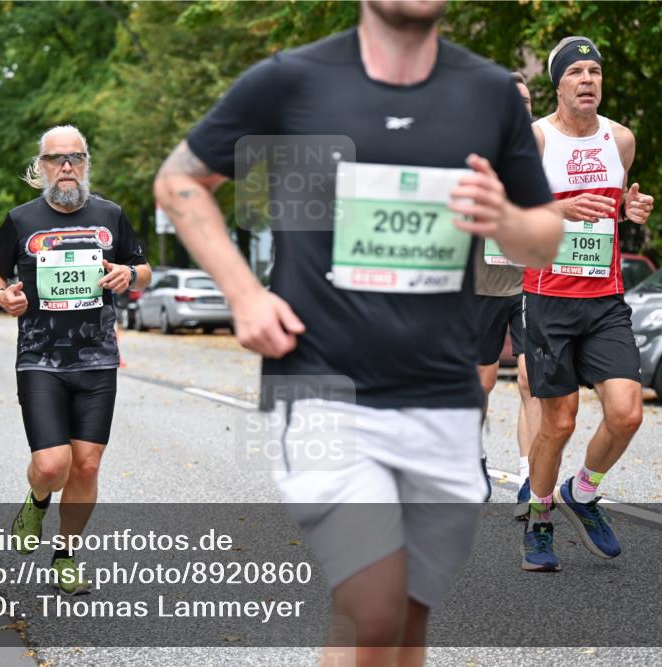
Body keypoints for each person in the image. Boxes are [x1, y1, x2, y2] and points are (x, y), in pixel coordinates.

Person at [154, 2, 562, 664]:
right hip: (324, 391)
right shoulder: (293, 80)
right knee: (375, 607)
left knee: (403, 623)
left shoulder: (488, 92)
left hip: (443, 397)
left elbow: (545, 238)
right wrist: (244, 293)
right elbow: (179, 181)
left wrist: (505, 220)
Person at [0, 125, 151, 595]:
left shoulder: (111, 215)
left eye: (75, 157)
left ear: (86, 162)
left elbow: (144, 268)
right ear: (40, 167)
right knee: (54, 465)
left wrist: (128, 273)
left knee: (88, 466)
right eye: (56, 159)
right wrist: (2, 297)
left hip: (97, 358)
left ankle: (66, 554)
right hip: (39, 357)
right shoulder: (20, 220)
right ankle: (37, 501)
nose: (66, 167)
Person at [520, 36, 655, 572]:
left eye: (594, 71)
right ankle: (538, 520)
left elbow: (618, 206)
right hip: (549, 299)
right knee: (558, 422)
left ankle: (581, 491)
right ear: (558, 83)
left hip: (604, 299)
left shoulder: (620, 140)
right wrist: (561, 207)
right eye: (576, 71)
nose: (587, 80)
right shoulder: (534, 140)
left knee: (627, 413)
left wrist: (634, 207)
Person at [475, 70, 543, 517]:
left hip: (530, 284)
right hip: (479, 287)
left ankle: (528, 477)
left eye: (526, 100)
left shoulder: (546, 151)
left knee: (529, 380)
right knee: (479, 383)